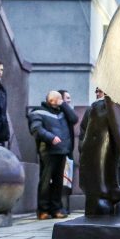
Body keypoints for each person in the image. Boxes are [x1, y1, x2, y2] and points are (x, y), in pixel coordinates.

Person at [28, 90, 79, 220]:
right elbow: (36, 129)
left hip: (62, 151)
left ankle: (56, 209)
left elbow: (74, 119)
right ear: (51, 101)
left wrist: (64, 106)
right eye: (59, 100)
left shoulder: (62, 112)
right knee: (46, 181)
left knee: (58, 183)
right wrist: (50, 138)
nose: (62, 102)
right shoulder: (38, 112)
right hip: (48, 151)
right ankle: (43, 210)